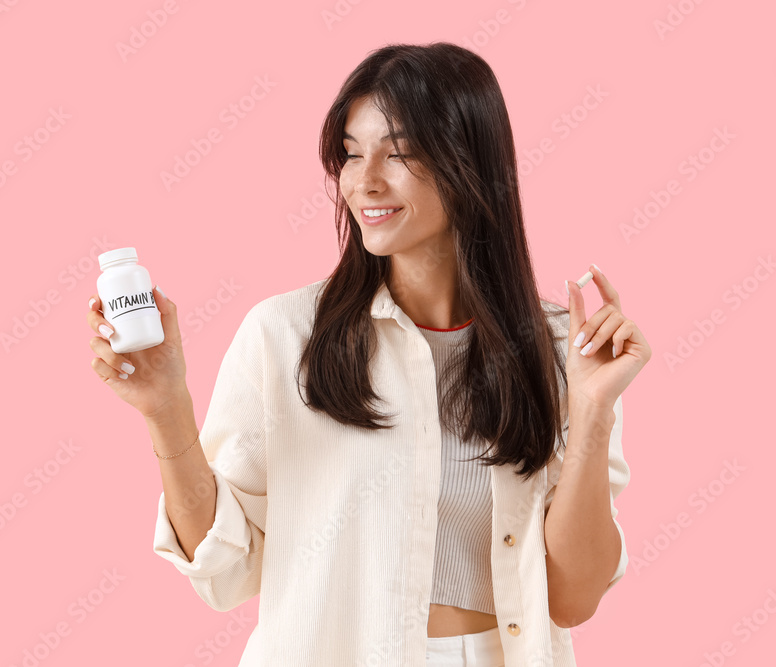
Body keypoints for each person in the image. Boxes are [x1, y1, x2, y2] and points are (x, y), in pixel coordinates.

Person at [85, 42, 651, 667]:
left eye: (399, 152)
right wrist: (166, 409)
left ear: (470, 160)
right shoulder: (285, 336)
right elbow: (226, 569)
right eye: (351, 154)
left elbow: (573, 599)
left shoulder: (558, 351)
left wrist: (594, 408)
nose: (365, 181)